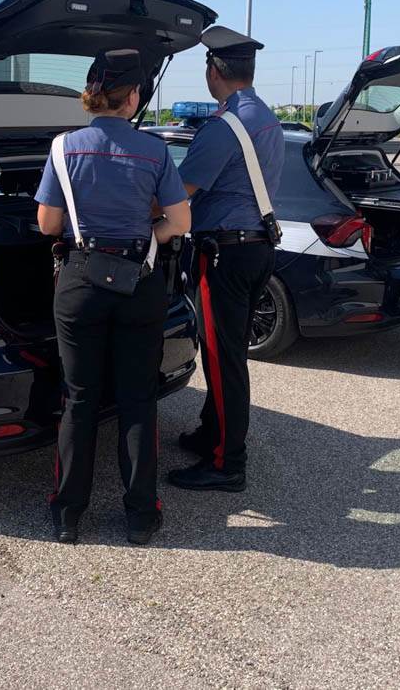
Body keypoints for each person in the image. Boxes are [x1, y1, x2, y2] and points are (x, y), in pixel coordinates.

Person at [35, 48, 191, 545]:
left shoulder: (63, 149)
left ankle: (67, 515)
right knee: (136, 400)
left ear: (93, 95)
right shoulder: (154, 151)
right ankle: (141, 516)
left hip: (80, 279)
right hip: (137, 282)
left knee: (79, 399)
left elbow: (47, 224)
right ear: (133, 97)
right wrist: (151, 230)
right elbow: (180, 223)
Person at [168, 26, 284, 492]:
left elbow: (179, 195)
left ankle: (226, 463)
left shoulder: (223, 127)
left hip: (225, 255)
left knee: (222, 358)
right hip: (256, 248)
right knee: (228, 352)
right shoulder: (266, 118)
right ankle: (211, 433)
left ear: (214, 70)